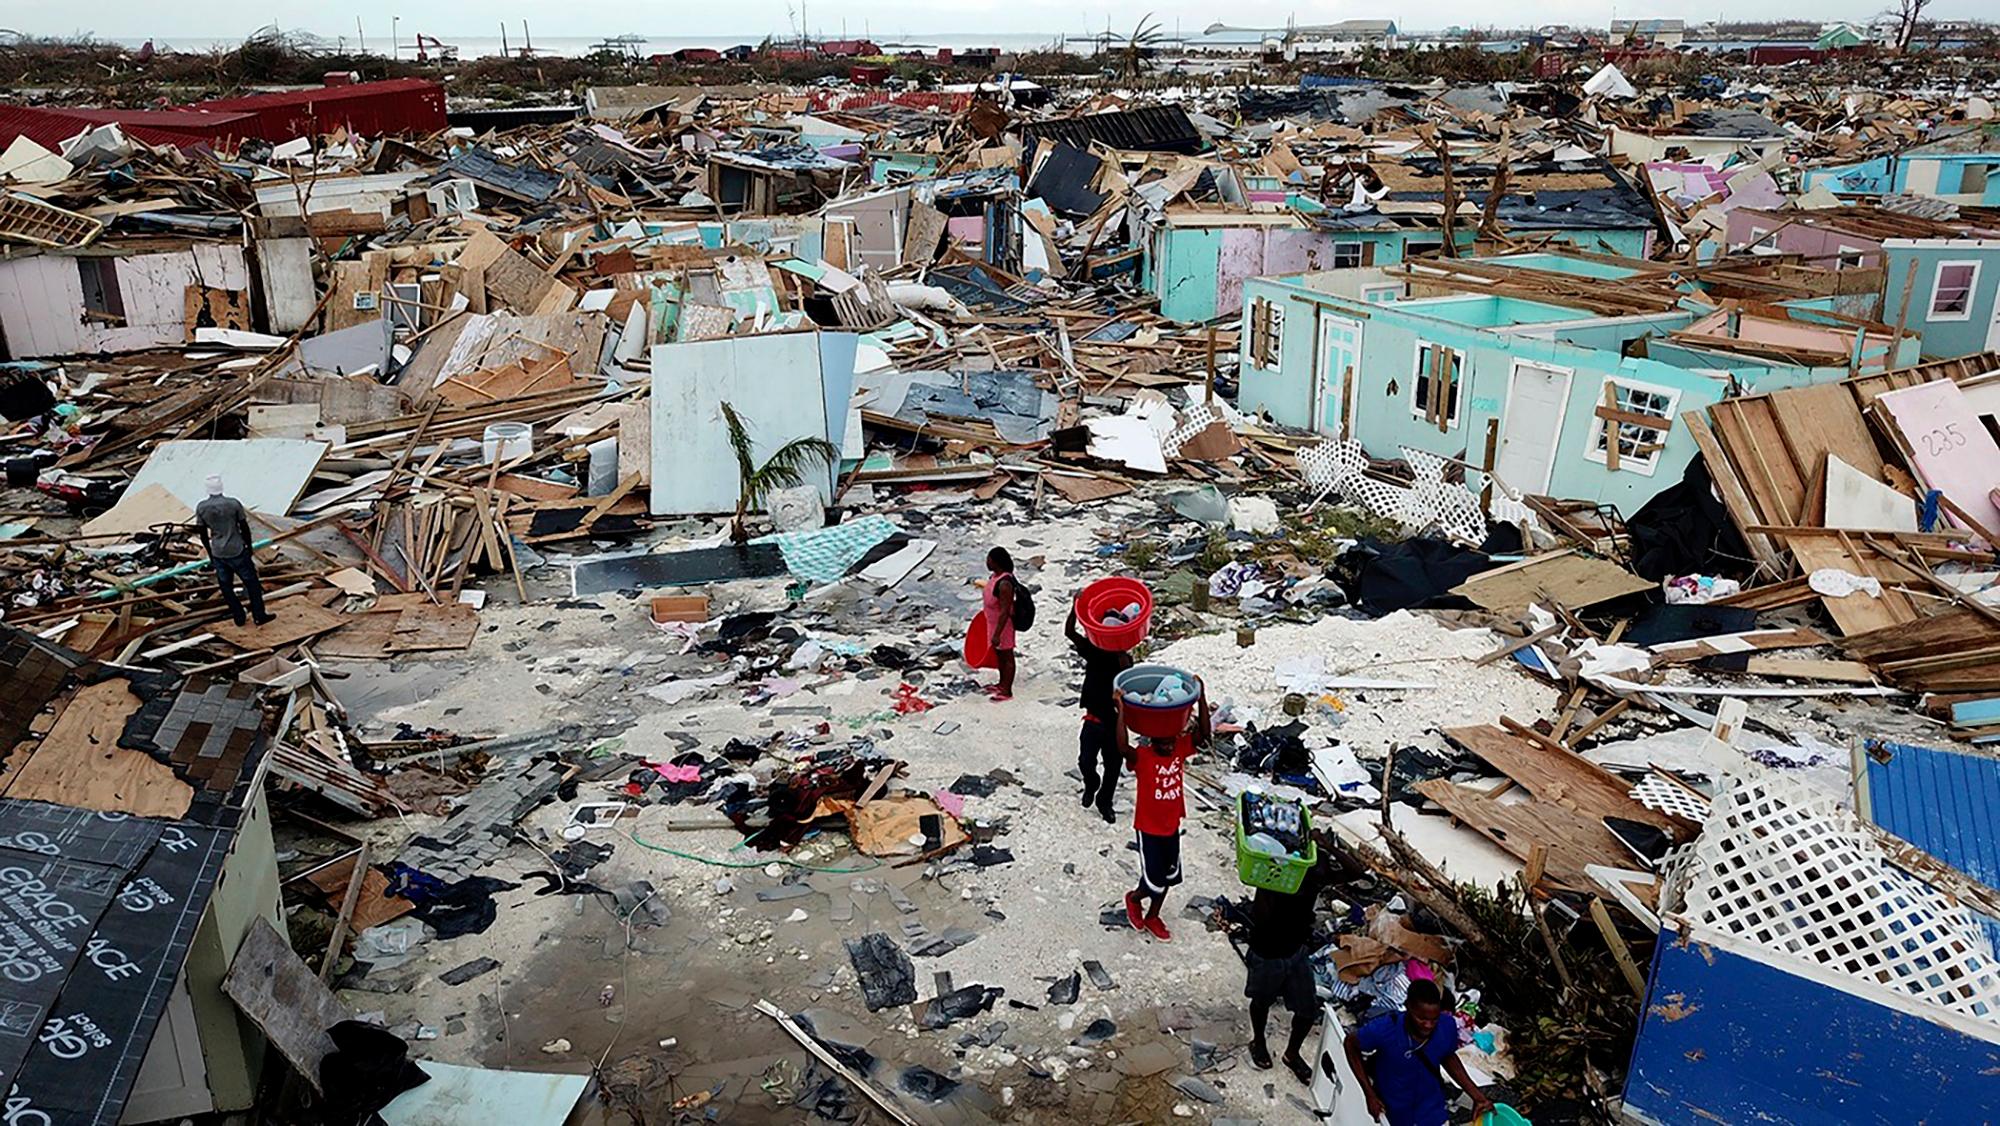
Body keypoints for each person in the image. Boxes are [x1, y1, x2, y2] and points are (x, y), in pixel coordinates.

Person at [1116, 680, 1210, 942]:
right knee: (1152, 879)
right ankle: (1134, 899)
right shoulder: (1143, 756)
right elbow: (1123, 747)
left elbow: (1204, 735)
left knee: (1169, 876)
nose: (1169, 746)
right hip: (1148, 828)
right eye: (1164, 742)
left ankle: (1153, 915)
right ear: (1153, 738)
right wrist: (1121, 709)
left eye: (1172, 741)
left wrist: (1201, 698)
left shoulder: (1179, 749)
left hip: (1171, 825)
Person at [1343, 978, 1494, 1126]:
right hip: (1394, 1113)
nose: (1428, 1025)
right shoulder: (1384, 1029)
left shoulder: (1446, 1025)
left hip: (1431, 1111)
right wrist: (1369, 1094)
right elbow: (1350, 1044)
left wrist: (1477, 1096)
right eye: (1421, 1018)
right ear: (1408, 1006)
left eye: (1434, 1019)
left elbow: (1447, 1056)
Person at [1244, 860, 1330, 1084]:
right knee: (1261, 1000)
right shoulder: (1274, 879)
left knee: (1308, 1010)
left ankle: (1292, 1054)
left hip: (1296, 951)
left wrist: (1327, 849)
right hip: (1267, 952)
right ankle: (1258, 1041)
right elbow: (1260, 917)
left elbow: (1355, 872)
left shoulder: (1313, 877)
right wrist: (1269, 887)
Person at [1066, 605, 1134, 823]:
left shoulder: (1124, 658)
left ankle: (1105, 801)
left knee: (1113, 766)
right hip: (1093, 718)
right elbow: (1069, 632)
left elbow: (1127, 678)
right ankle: (1091, 782)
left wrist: (1121, 653)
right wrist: (1075, 609)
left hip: (1114, 722)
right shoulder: (1092, 650)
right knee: (1085, 761)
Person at [194, 475, 273, 628]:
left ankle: (239, 616)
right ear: (221, 487)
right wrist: (248, 547)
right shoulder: (233, 504)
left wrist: (210, 552)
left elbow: (202, 533)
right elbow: (244, 527)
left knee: (226, 586)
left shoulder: (201, 507)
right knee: (252, 584)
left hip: (218, 552)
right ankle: (259, 615)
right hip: (237, 549)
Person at [981, 547, 1018, 701]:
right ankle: (1001, 684)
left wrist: (997, 633)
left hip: (1003, 626)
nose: (987, 562)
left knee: (1007, 656)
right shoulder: (994, 577)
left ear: (996, 562)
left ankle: (1007, 690)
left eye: (989, 559)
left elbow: (1004, 611)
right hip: (993, 622)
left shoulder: (1005, 584)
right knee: (999, 655)